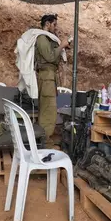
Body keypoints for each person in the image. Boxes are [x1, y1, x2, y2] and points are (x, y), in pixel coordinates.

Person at [35, 14, 71, 144]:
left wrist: (61, 47)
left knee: (47, 109)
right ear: (47, 24)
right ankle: (45, 142)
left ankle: (43, 140)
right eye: (54, 25)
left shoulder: (48, 39)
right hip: (46, 78)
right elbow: (49, 57)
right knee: (48, 111)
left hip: (49, 78)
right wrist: (61, 46)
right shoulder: (42, 38)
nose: (55, 28)